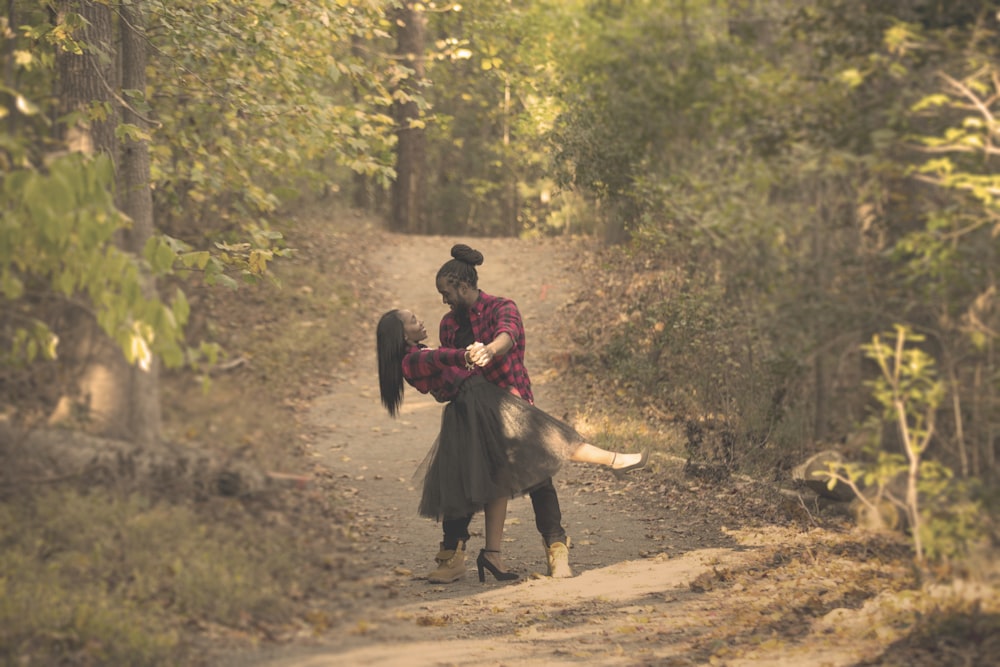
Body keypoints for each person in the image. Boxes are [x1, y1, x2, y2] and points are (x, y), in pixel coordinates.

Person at [376, 308, 647, 584]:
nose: (419, 320)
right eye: (412, 320)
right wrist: (466, 355)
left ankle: (490, 553)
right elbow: (439, 357)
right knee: (546, 439)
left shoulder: (419, 353)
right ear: (401, 335)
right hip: (479, 406)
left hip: (479, 405)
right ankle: (614, 461)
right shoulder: (412, 360)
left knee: (502, 473)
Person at [431, 244, 648, 581]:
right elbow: (450, 369)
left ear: (462, 285)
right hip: (471, 416)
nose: (444, 299)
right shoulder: (448, 325)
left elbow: (508, 336)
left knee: (539, 477)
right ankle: (455, 557)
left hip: (511, 405)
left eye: (446, 292)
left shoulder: (501, 307)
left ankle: (556, 550)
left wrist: (489, 351)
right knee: (465, 479)